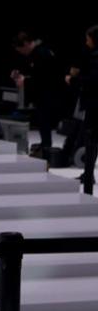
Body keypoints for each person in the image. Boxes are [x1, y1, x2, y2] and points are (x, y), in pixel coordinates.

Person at [10, 31, 65, 160]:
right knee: (42, 121)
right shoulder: (36, 53)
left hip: (49, 93)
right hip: (44, 93)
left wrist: (25, 80)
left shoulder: (41, 53)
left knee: (44, 120)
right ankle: (45, 145)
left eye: (20, 49)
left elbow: (45, 77)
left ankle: (46, 147)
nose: (21, 53)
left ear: (25, 44)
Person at [65, 24, 98, 194]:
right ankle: (88, 175)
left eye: (88, 39)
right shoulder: (92, 55)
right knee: (91, 141)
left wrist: (73, 80)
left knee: (91, 140)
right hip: (92, 103)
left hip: (94, 104)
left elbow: (92, 81)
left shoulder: (95, 57)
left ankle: (88, 181)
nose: (86, 42)